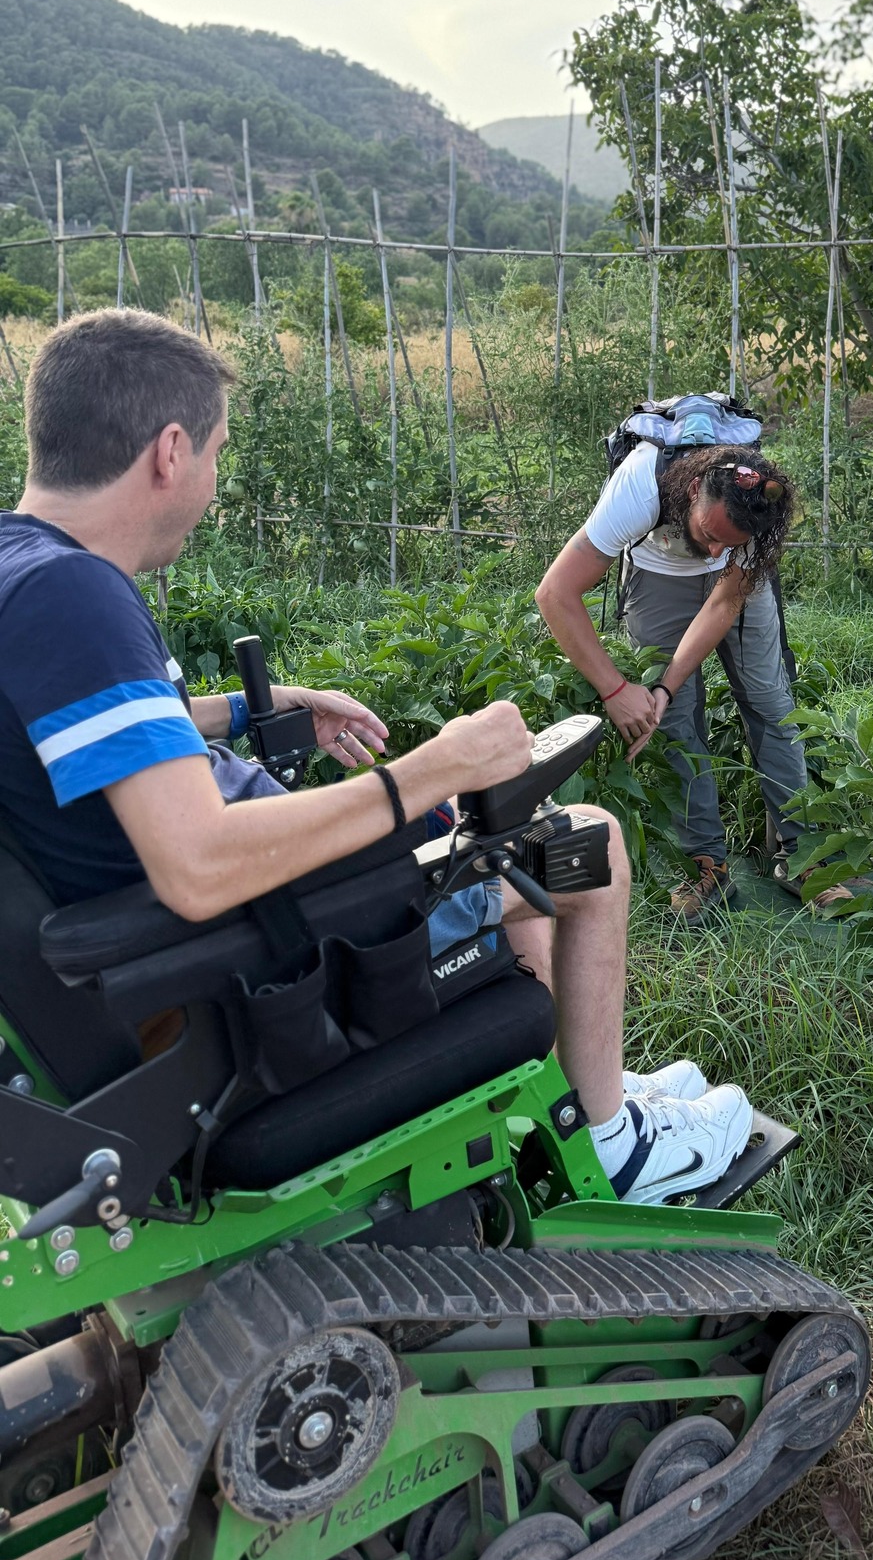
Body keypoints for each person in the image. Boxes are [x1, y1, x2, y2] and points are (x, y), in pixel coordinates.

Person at [0, 309, 750, 1205]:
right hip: (257, 945)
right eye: (215, 456)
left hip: (193, 939)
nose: (212, 486)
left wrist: (250, 707)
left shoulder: (24, 564)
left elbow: (90, 733)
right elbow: (197, 866)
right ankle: (614, 1150)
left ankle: (583, 1101)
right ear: (169, 452)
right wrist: (436, 766)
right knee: (583, 842)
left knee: (506, 855)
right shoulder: (77, 593)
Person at [538, 441, 822, 923]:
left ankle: (805, 858)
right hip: (658, 572)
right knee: (673, 723)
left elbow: (722, 603)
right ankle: (705, 865)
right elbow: (554, 593)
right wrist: (616, 690)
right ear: (692, 491)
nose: (712, 552)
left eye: (726, 544)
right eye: (710, 534)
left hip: (737, 588)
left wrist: (665, 683)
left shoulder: (758, 517)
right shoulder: (638, 488)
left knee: (770, 704)